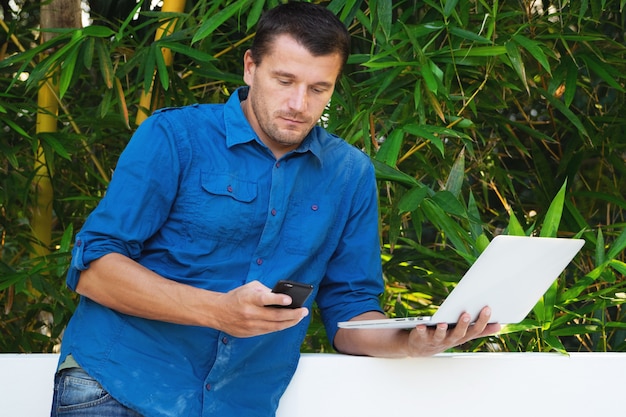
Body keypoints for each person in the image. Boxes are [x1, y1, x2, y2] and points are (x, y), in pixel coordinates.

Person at [51, 2, 500, 416]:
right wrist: (216, 310)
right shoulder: (174, 136)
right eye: (284, 81)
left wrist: (410, 341)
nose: (298, 105)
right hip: (117, 382)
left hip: (239, 402)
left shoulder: (349, 173)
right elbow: (94, 269)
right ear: (250, 67)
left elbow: (351, 311)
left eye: (318, 88)